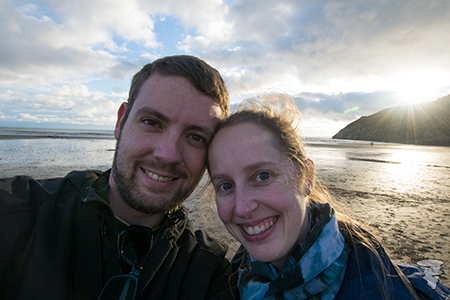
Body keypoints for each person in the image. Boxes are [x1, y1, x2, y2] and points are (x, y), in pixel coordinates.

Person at [0, 55, 237, 299]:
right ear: (121, 121)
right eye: (151, 122)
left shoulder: (208, 271)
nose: (168, 155)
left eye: (196, 137)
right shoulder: (17, 213)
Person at [206, 94, 450, 299]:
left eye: (262, 176)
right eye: (225, 186)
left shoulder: (383, 288)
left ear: (307, 177)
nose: (242, 208)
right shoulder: (231, 277)